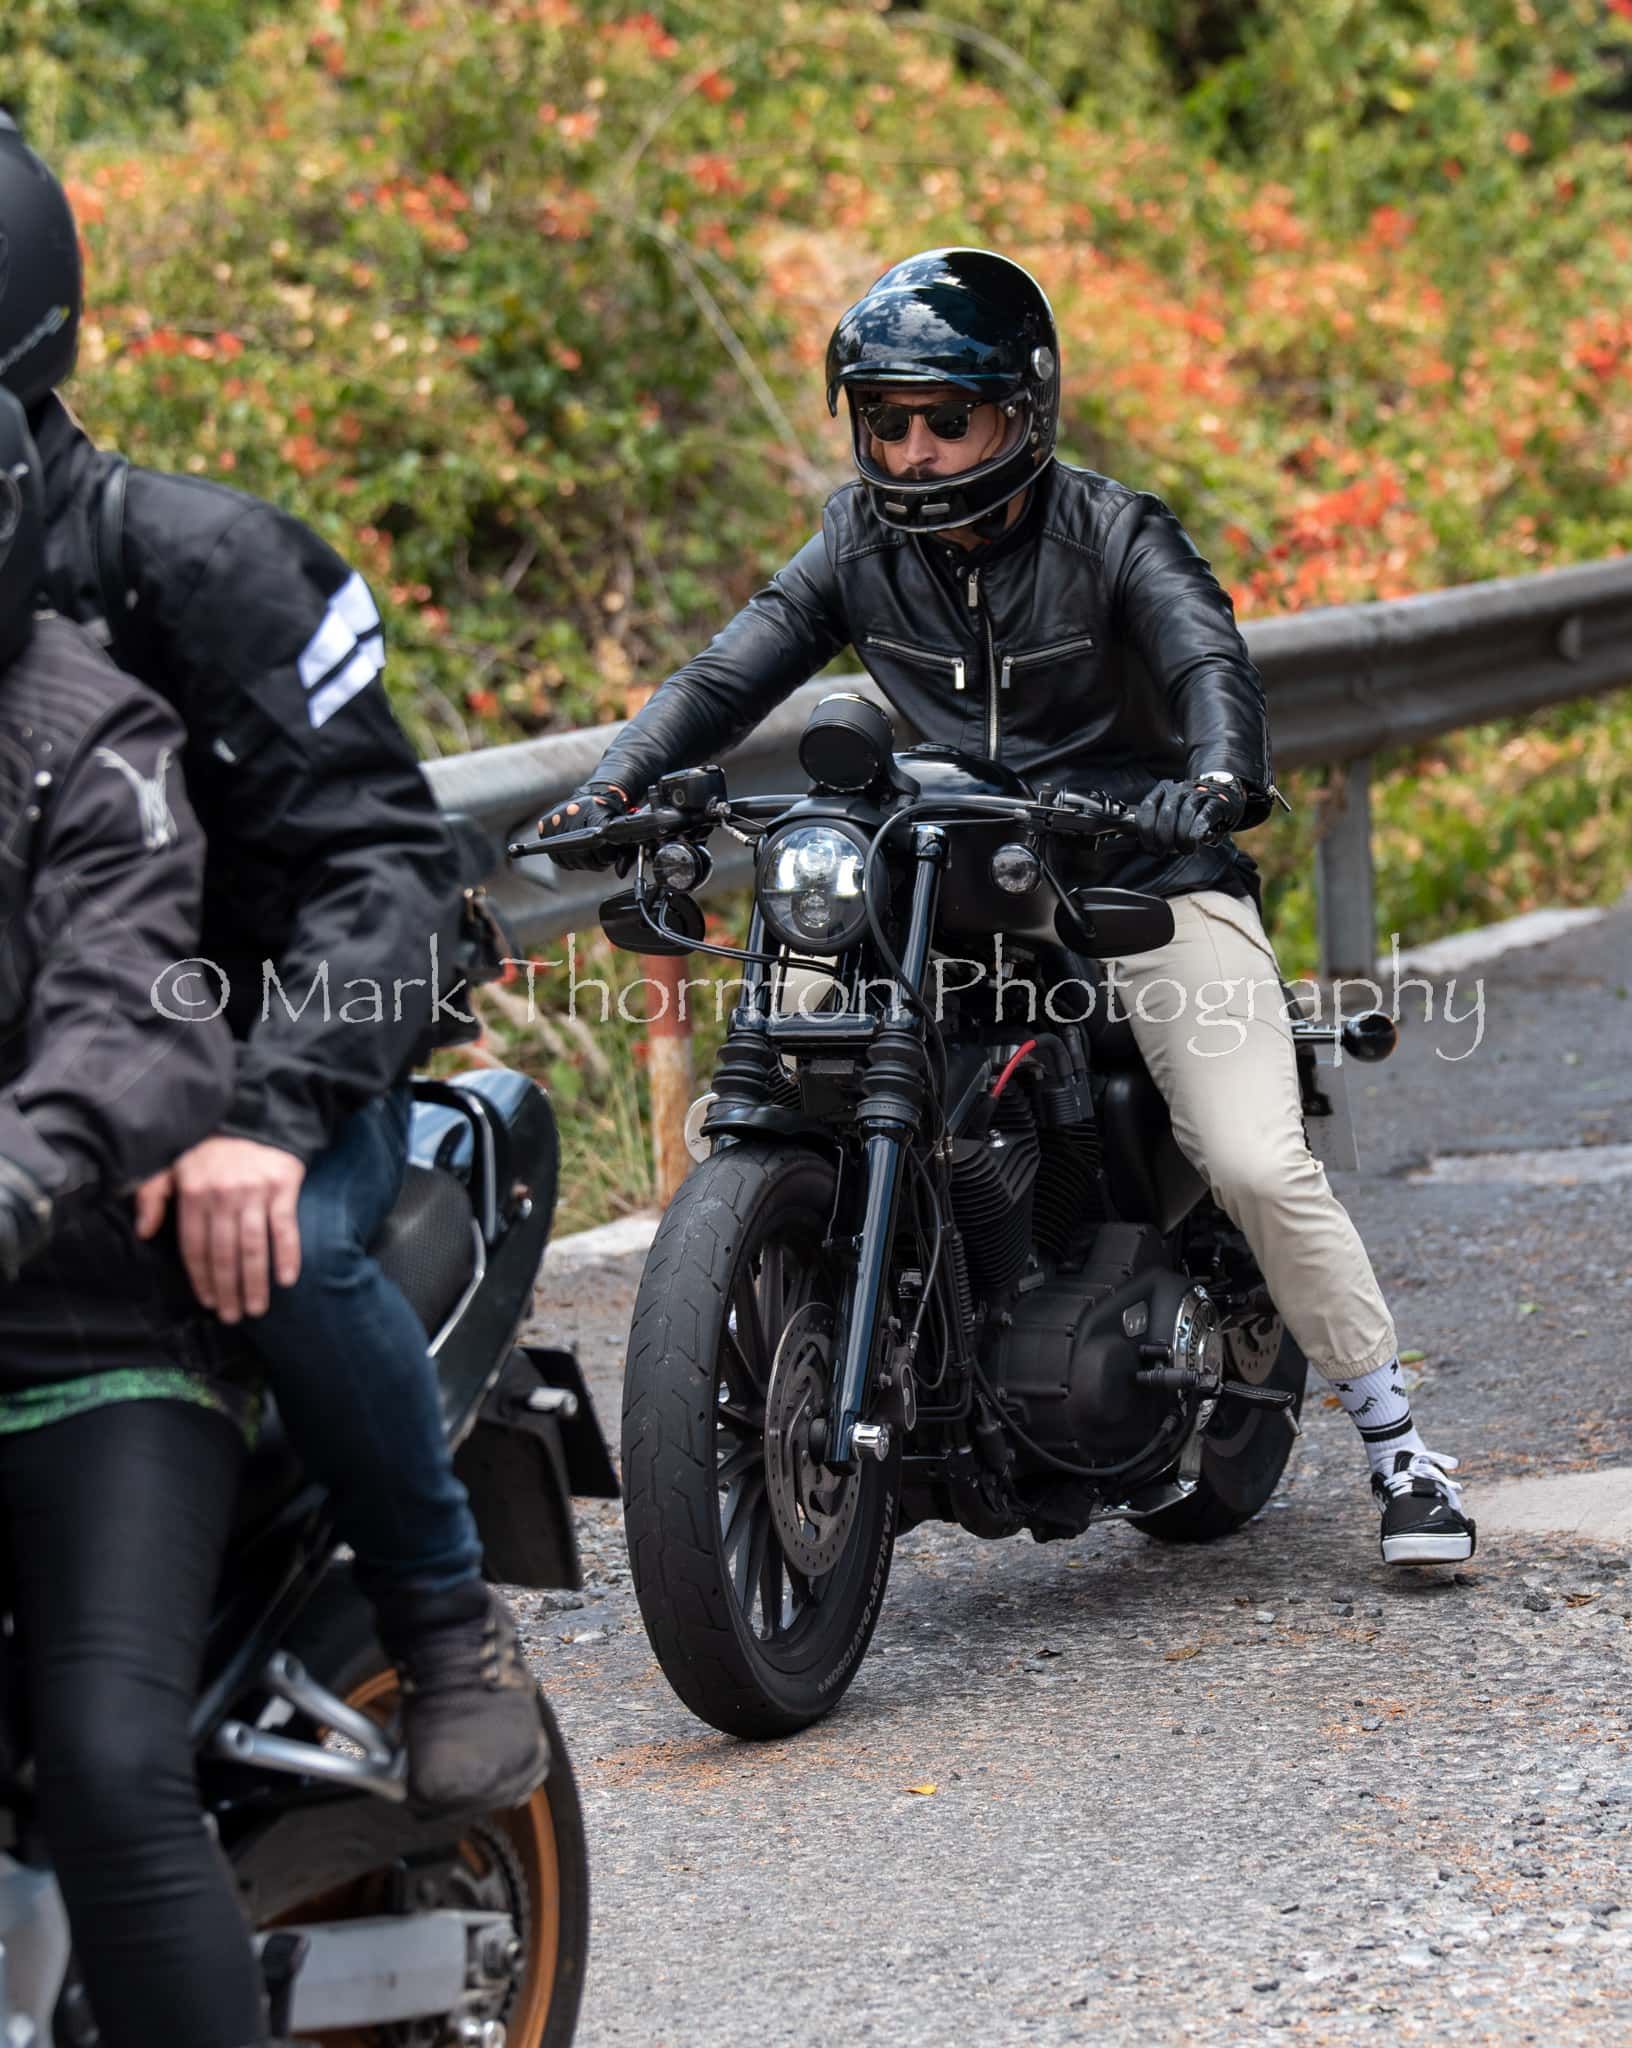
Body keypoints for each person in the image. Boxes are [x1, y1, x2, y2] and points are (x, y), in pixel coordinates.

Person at [542, 246, 1476, 1567]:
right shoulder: (850, 541)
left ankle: (1398, 1449)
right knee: (770, 1085)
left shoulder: (1113, 531)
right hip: (935, 869)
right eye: (886, 421)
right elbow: (728, 667)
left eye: (944, 419)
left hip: (1133, 873)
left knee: (1253, 1158)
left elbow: (1201, 651)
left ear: (1019, 414)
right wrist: (614, 785)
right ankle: (824, 1314)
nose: (913, 449)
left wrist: (1208, 781)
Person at [0, 111, 545, 1808]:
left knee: (283, 1247)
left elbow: (384, 866)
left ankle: (445, 1624)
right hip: (50, 1086)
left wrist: (262, 1109)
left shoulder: (203, 564)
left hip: (267, 1055)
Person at [0, 384, 275, 2047]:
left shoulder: (86, 738)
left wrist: (32, 1164)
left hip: (92, 1334)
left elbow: (129, 1002)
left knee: (104, 1764)